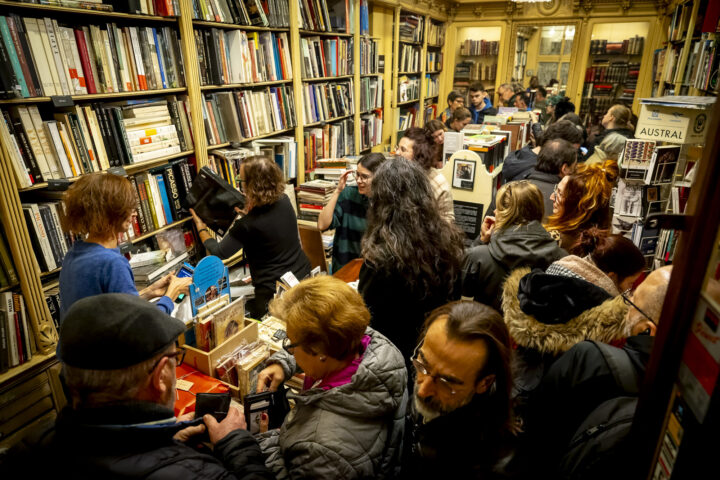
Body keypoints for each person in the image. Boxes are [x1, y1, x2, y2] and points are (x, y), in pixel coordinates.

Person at [2, 293, 273, 479]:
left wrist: (166, 442)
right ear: (160, 378)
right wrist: (237, 444)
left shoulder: (26, 449)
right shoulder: (196, 474)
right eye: (173, 358)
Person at [524, 266, 672, 480]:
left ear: (648, 330)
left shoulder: (589, 359)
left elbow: (536, 424)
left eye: (632, 302)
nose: (625, 307)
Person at [255, 276, 407, 479]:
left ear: (319, 351)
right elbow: (330, 336)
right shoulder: (376, 347)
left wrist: (264, 442)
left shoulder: (321, 449)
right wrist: (284, 363)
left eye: (290, 344)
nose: (289, 351)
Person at [500, 230, 644, 429]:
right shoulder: (604, 319)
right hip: (554, 417)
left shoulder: (537, 286)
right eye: (629, 283)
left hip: (511, 395)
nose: (629, 291)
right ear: (611, 276)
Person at [359, 158, 465, 360]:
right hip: (434, 347)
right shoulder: (449, 241)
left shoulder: (380, 257)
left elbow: (367, 318)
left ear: (380, 202)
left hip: (390, 356)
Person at [402, 300, 517, 478]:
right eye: (422, 364)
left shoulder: (489, 466)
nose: (422, 390)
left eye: (446, 381)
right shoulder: (434, 396)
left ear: (484, 383)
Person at [59, 173, 191, 321]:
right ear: (110, 212)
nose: (134, 214)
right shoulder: (112, 263)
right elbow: (143, 330)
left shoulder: (73, 254)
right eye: (128, 207)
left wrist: (149, 291)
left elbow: (110, 308)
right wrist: (171, 294)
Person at [190, 156, 310, 318]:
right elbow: (269, 226)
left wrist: (201, 228)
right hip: (302, 279)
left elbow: (219, 252)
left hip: (274, 296)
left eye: (242, 181)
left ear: (253, 185)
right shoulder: (284, 200)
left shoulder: (247, 225)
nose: (240, 186)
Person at [461, 181, 566, 312]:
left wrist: (481, 241)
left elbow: (459, 297)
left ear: (506, 214)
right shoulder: (562, 259)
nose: (494, 211)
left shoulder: (479, 257)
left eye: (498, 208)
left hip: (488, 329)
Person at [317, 153, 386, 273]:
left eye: (364, 177)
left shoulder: (387, 203)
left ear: (379, 178)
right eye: (357, 174)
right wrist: (338, 191)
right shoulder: (348, 195)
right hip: (344, 269)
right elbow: (322, 225)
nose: (359, 180)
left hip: (372, 272)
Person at [546, 160, 619, 250]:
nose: (552, 197)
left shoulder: (553, 242)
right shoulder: (600, 244)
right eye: (556, 189)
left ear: (579, 206)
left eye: (560, 194)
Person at [396, 127, 454, 221]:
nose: (397, 152)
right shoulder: (396, 173)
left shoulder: (438, 184)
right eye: (397, 147)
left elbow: (447, 221)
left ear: (419, 155)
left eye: (403, 149)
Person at [502, 120, 584, 184]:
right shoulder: (540, 171)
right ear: (557, 145)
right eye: (573, 151)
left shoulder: (522, 155)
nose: (574, 157)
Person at [525, 138, 578, 220]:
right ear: (564, 169)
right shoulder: (564, 200)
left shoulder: (514, 189)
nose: (575, 171)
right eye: (574, 167)